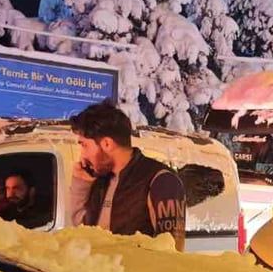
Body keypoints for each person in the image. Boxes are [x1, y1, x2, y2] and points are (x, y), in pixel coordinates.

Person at [68, 102, 186, 251]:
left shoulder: (160, 179)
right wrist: (81, 184)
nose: (82, 155)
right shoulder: (102, 180)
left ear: (106, 144)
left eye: (84, 145)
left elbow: (171, 252)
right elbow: (85, 233)